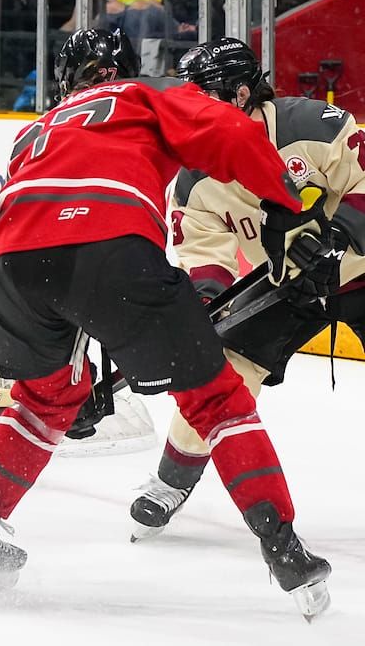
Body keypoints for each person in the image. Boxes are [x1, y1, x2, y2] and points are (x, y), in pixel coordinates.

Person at [0, 28, 332, 619]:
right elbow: (230, 131)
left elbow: (56, 244)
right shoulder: (144, 96)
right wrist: (284, 202)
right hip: (113, 249)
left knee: (41, 403)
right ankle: (285, 549)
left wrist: (84, 383)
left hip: (9, 265)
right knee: (218, 401)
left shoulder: (32, 133)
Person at [129, 38, 364, 551]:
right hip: (285, 285)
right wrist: (206, 304)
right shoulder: (194, 176)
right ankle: (172, 482)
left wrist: (340, 238)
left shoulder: (314, 127)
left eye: (202, 96)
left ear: (239, 94)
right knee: (223, 374)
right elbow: (204, 254)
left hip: (361, 271)